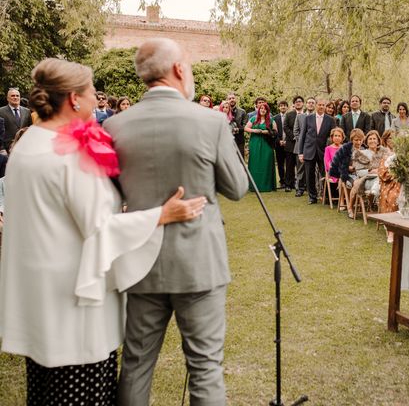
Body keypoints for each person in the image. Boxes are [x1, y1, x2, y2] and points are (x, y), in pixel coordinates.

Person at [0, 58, 206, 405]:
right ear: (74, 99)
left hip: (38, 300)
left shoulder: (29, 144)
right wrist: (161, 215)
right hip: (75, 308)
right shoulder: (69, 154)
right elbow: (100, 230)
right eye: (92, 92)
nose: (98, 100)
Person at [104, 38, 248, 405]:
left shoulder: (116, 126)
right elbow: (236, 187)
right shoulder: (211, 121)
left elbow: (110, 195)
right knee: (205, 367)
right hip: (198, 263)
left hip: (139, 263)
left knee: (136, 363)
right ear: (180, 70)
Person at [297, 98, 336, 204]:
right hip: (309, 150)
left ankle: (327, 196)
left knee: (326, 174)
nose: (321, 107)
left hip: (324, 151)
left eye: (323, 105)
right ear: (316, 106)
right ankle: (312, 197)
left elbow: (333, 137)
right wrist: (301, 153)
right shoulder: (308, 118)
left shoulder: (330, 120)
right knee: (309, 175)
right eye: (319, 104)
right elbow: (302, 136)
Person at [245, 102, 277, 192]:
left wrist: (267, 132)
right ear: (258, 110)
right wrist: (254, 130)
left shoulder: (271, 120)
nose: (263, 110)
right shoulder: (253, 119)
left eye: (265, 109)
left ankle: (267, 186)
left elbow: (275, 132)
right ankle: (254, 186)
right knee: (254, 163)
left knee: (266, 163)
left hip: (267, 144)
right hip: (255, 143)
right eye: (261, 108)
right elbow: (246, 128)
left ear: (267, 111)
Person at [293, 97, 316, 196]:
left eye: (312, 103)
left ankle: (311, 188)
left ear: (314, 105)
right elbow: (296, 131)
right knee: (300, 169)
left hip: (313, 148)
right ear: (306, 104)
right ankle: (300, 189)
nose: (311, 104)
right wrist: (304, 142)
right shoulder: (300, 116)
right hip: (301, 147)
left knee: (312, 169)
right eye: (309, 102)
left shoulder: (317, 117)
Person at [283, 96, 304, 192]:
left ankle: (300, 185)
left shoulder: (306, 115)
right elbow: (285, 127)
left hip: (302, 144)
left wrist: (301, 139)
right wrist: (294, 137)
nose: (298, 103)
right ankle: (288, 184)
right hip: (291, 143)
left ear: (303, 103)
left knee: (301, 166)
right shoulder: (289, 114)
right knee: (289, 165)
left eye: (300, 101)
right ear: (294, 104)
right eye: (296, 102)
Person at [323, 127, 345, 194]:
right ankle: (341, 197)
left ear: (342, 138)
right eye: (335, 135)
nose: (337, 137)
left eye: (339, 136)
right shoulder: (328, 148)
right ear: (332, 137)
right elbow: (327, 162)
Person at [272, 100, 288, 189]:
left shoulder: (290, 116)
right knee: (280, 163)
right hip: (278, 144)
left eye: (285, 106)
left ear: (287, 107)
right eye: (281, 106)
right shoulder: (275, 118)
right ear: (279, 107)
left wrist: (286, 141)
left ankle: (290, 181)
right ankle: (282, 181)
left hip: (289, 143)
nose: (283, 107)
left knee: (289, 164)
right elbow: (274, 132)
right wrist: (279, 141)